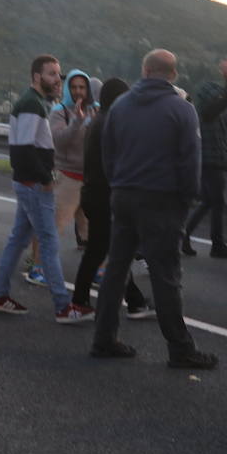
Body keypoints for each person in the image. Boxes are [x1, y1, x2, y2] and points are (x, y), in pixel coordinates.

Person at [90, 49, 218, 368]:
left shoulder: (120, 106)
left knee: (116, 270)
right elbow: (191, 161)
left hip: (124, 195)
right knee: (165, 275)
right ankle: (180, 348)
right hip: (163, 201)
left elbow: (108, 153)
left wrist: (118, 182)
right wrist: (187, 198)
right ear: (173, 75)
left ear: (145, 71)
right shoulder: (181, 109)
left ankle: (104, 338)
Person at [0, 55, 93, 322]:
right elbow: (22, 150)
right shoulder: (31, 105)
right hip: (34, 185)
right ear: (36, 76)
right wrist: (45, 178)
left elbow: (30, 146)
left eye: (58, 74)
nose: (58, 79)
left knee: (18, 240)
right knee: (49, 242)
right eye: (52, 74)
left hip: (29, 183)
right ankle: (63, 306)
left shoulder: (36, 103)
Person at [70, 78, 151, 317]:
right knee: (114, 251)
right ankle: (131, 303)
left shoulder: (99, 120)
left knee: (100, 250)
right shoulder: (110, 123)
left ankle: (84, 301)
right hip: (105, 196)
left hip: (93, 194)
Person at [181, 57, 227, 259]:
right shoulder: (209, 112)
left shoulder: (206, 113)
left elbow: (225, 100)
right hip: (213, 162)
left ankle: (185, 234)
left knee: (208, 201)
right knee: (218, 203)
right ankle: (217, 244)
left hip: (206, 161)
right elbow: (226, 99)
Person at [49, 68, 94, 251]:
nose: (78, 91)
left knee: (91, 229)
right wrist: (76, 122)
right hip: (67, 177)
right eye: (74, 87)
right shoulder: (60, 112)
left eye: (82, 87)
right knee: (55, 225)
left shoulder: (94, 110)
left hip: (89, 178)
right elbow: (58, 141)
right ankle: (38, 264)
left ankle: (96, 273)